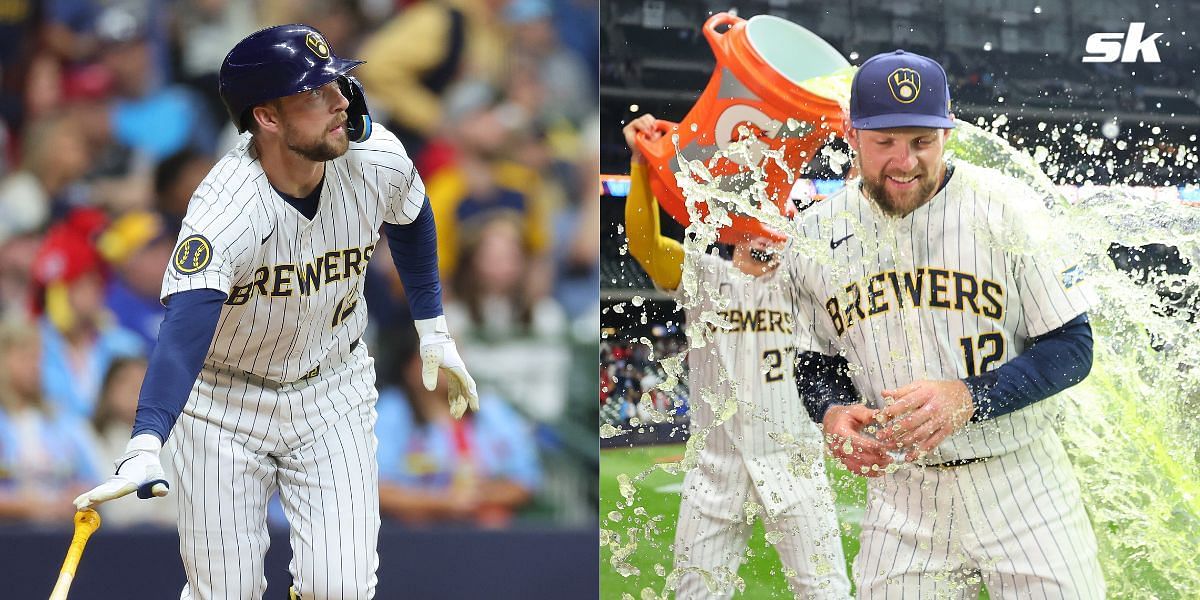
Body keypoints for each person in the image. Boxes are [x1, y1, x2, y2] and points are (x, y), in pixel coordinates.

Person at [71, 25, 479, 600]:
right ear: (267, 117)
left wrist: (433, 327)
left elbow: (411, 215)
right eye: (314, 93)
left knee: (340, 588)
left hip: (331, 387)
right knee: (226, 593)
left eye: (336, 82)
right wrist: (145, 441)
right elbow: (184, 329)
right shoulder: (226, 207)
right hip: (222, 405)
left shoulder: (374, 154)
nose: (341, 101)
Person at [792, 50, 1104, 598]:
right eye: (884, 141)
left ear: (948, 131)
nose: (904, 161)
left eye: (921, 140)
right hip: (902, 497)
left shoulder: (1009, 209)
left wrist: (969, 395)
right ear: (851, 133)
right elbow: (814, 359)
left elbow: (1072, 346)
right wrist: (831, 410)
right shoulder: (817, 233)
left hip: (1022, 484)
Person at [623, 114, 851, 599]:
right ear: (737, 227)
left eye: (776, 213)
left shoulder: (806, 278)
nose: (765, 230)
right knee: (695, 593)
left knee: (826, 592)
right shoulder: (706, 276)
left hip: (796, 462)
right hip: (715, 467)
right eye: (755, 217)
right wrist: (642, 165)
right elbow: (645, 244)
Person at [376, 333, 539, 526]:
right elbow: (378, 490)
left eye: (455, 353)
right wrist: (443, 502)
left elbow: (526, 480)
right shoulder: (390, 411)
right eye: (438, 355)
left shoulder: (491, 409)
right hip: (409, 532)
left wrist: (476, 497)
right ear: (411, 367)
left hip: (482, 529)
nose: (450, 363)